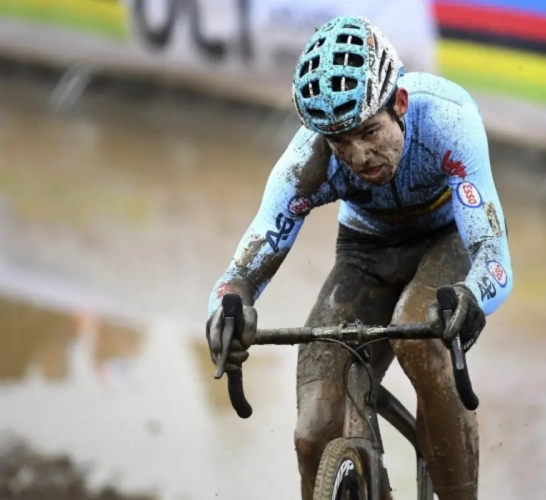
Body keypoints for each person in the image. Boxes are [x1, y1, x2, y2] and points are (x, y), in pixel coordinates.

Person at [205, 15, 513, 500]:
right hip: (366, 251)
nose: (358, 155)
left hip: (446, 240)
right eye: (340, 142)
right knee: (315, 428)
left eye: (369, 132)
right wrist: (227, 311)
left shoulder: (448, 120)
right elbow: (244, 267)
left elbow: (492, 255)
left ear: (400, 103)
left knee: (418, 334)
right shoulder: (308, 161)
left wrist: (472, 296)